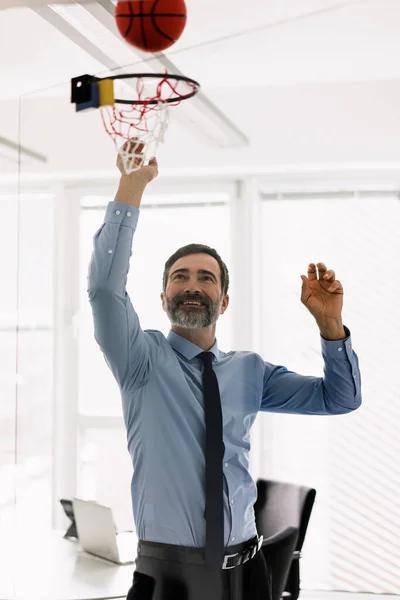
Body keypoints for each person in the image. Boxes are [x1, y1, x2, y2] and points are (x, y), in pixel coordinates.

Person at [87, 141, 362, 600]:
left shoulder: (251, 372)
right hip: (167, 577)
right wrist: (131, 186)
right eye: (180, 276)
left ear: (224, 300)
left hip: (250, 573)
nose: (192, 285)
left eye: (206, 278)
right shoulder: (139, 360)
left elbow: (340, 398)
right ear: (163, 298)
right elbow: (103, 289)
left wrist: (331, 327)